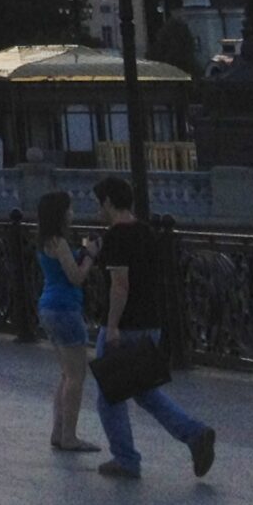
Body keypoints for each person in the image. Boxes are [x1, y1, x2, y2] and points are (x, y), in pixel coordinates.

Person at [90, 175, 215, 479]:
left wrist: (113, 326)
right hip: (151, 323)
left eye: (98, 203)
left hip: (126, 325)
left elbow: (120, 285)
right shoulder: (147, 232)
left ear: (108, 202)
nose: (97, 210)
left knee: (109, 394)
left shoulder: (116, 237)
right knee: (145, 392)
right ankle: (194, 434)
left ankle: (126, 458)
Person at [34, 188, 98, 452]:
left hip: (48, 306)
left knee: (65, 374)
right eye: (69, 209)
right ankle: (69, 436)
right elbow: (75, 277)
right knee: (76, 376)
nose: (72, 213)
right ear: (60, 213)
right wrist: (91, 256)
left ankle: (58, 431)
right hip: (65, 308)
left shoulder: (44, 241)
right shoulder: (59, 243)